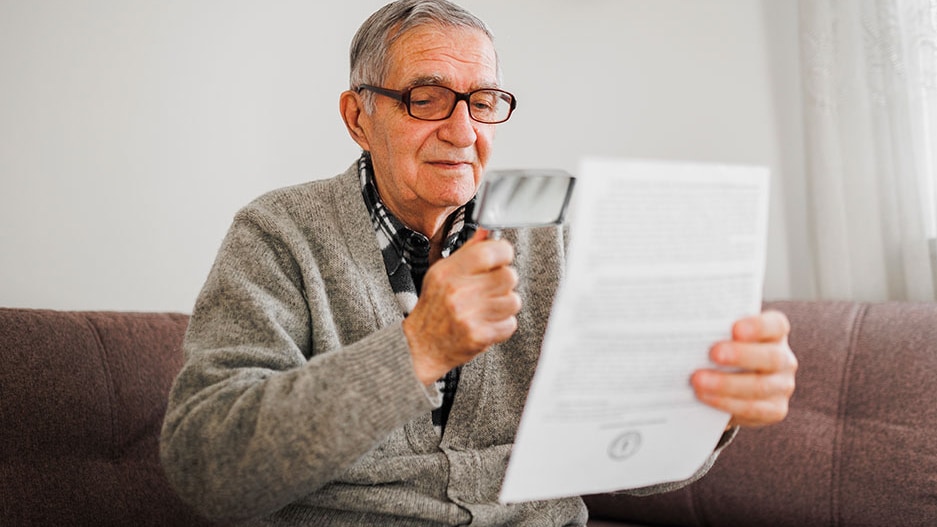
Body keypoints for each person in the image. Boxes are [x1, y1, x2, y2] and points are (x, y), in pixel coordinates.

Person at [160, 1, 798, 525]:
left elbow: (627, 468)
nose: (464, 131)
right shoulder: (278, 233)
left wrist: (709, 411)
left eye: (484, 101)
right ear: (359, 117)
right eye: (428, 98)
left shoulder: (559, 234)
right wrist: (418, 348)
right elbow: (209, 470)